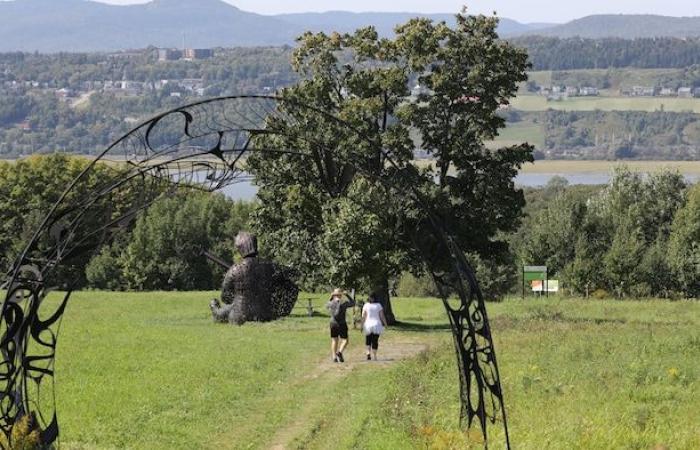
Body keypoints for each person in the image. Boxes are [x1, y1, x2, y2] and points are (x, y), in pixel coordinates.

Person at [326, 288, 355, 363]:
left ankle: (334, 357)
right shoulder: (343, 303)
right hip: (342, 323)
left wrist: (331, 296)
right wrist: (347, 295)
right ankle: (340, 352)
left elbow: (327, 305)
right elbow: (353, 303)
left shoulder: (331, 303)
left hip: (333, 323)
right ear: (340, 295)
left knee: (334, 340)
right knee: (345, 340)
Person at [362, 293, 388, 361]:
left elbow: (363, 316)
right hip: (377, 325)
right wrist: (385, 324)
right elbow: (382, 316)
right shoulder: (378, 305)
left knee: (368, 339)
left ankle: (368, 353)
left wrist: (361, 325)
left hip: (368, 325)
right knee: (375, 340)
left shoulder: (366, 305)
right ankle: (375, 356)